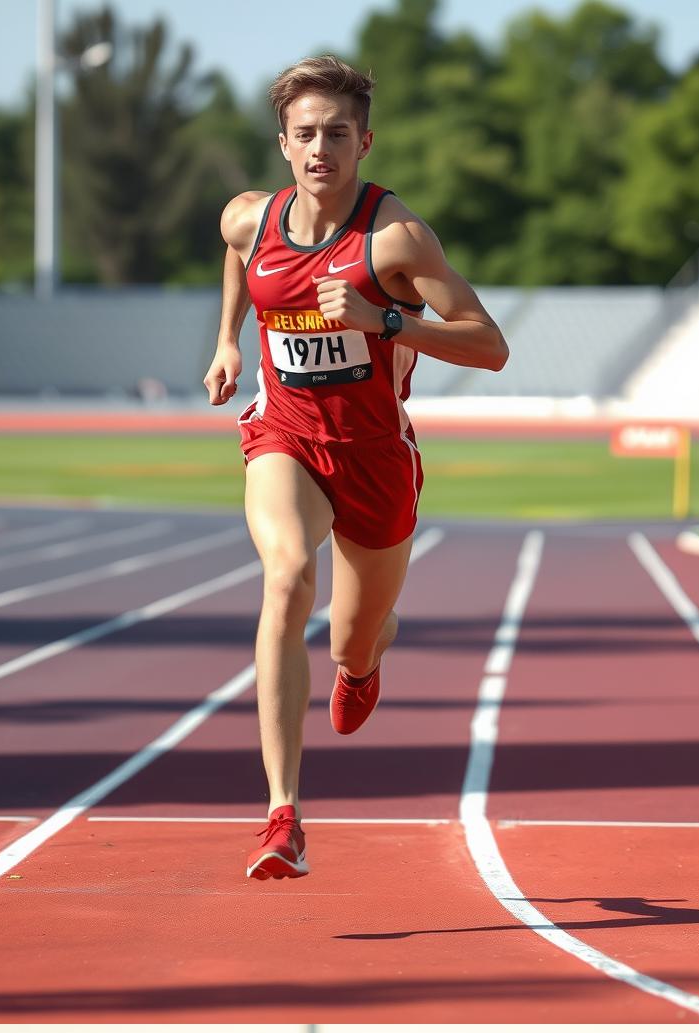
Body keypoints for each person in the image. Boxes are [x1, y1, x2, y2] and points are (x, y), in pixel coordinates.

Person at [203, 54, 509, 882]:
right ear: (283, 145)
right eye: (305, 135)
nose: (319, 150)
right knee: (287, 575)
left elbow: (491, 345)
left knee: (350, 634)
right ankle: (282, 817)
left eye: (336, 134)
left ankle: (365, 658)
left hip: (376, 457)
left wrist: (390, 322)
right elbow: (236, 253)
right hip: (286, 433)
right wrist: (230, 339)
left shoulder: (394, 238)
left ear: (363, 142)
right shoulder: (250, 219)